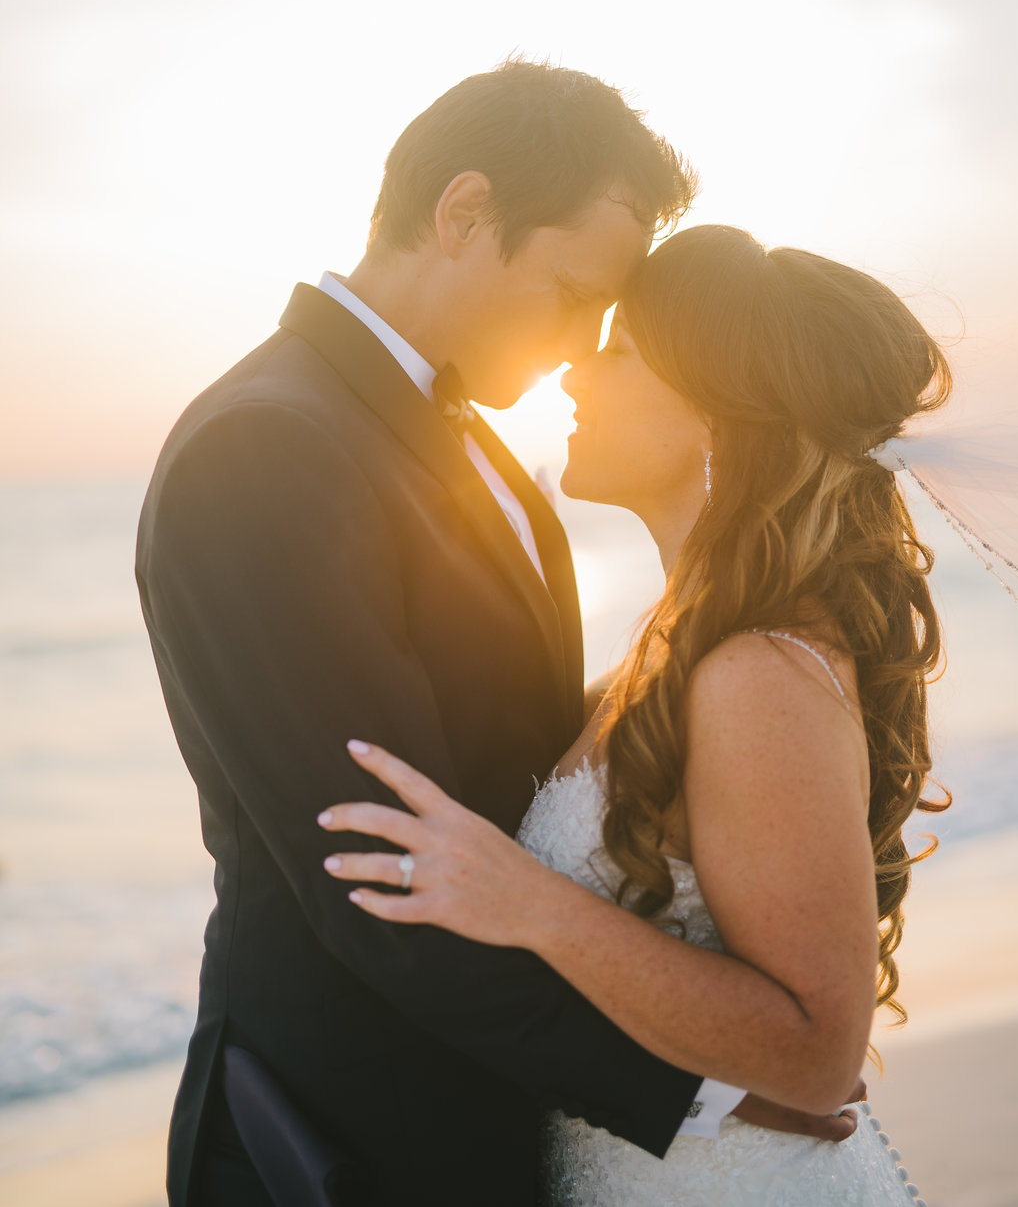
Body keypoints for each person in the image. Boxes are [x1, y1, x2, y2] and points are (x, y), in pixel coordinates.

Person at [137, 66, 848, 1207]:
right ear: (463, 212)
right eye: (572, 291)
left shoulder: (472, 446)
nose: (580, 345)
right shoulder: (265, 446)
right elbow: (377, 869)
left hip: (495, 1121)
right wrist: (691, 1091)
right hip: (345, 1136)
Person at [317, 223, 951, 1205]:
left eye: (615, 350)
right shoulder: (676, 644)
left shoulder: (757, 672)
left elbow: (818, 1054)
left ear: (714, 411)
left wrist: (527, 901)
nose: (574, 371)